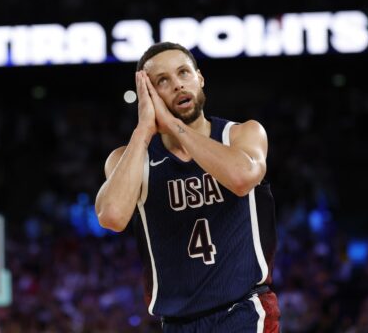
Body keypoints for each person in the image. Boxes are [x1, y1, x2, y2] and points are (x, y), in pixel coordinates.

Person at [95, 42, 280, 332]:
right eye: (163, 81)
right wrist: (144, 130)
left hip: (243, 310)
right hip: (177, 323)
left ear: (200, 78)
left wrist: (173, 126)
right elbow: (112, 216)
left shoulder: (242, 134)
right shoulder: (130, 158)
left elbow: (242, 179)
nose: (178, 85)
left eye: (183, 73)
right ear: (149, 96)